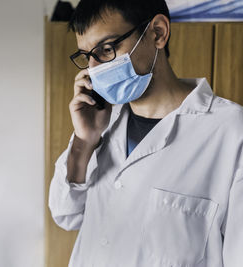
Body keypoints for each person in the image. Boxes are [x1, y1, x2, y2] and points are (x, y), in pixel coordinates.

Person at [48, 0, 243, 266]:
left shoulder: (231, 132)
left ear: (158, 33)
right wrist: (84, 141)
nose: (93, 69)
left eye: (106, 49)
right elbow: (65, 215)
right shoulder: (101, 120)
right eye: (86, 56)